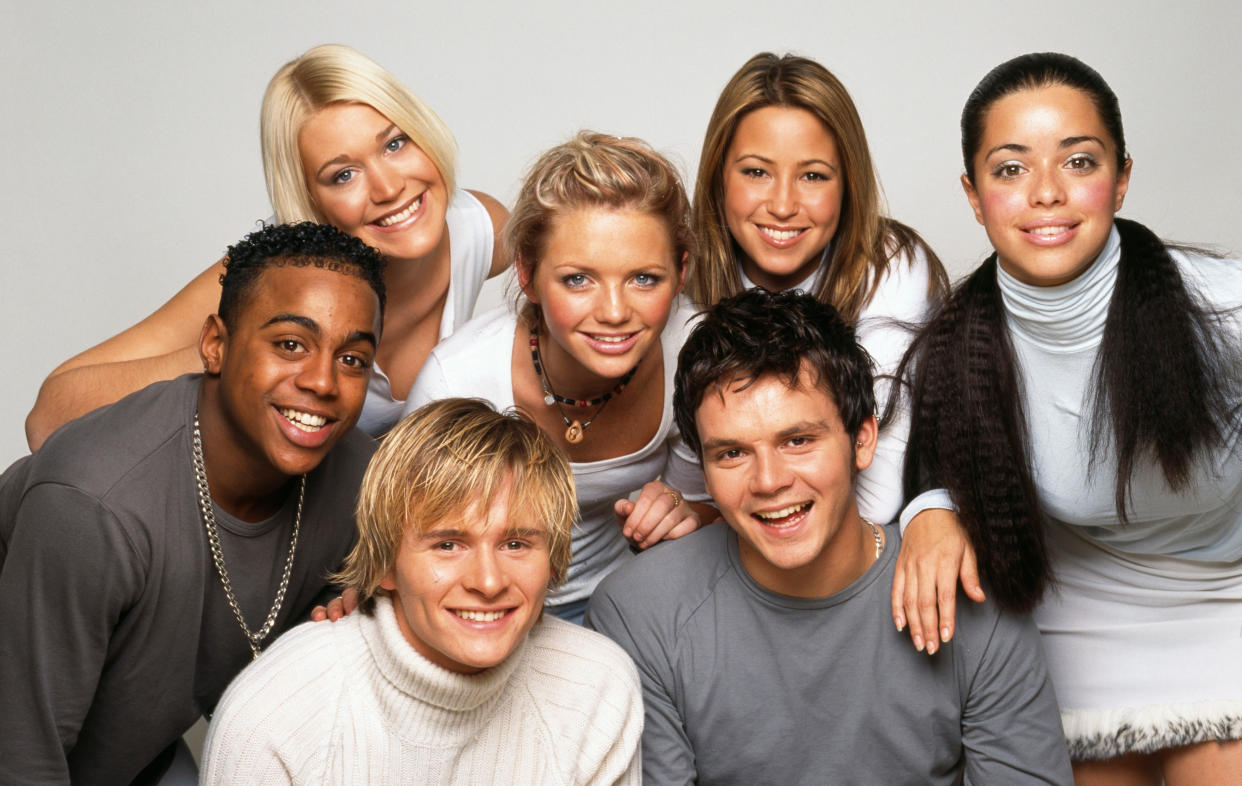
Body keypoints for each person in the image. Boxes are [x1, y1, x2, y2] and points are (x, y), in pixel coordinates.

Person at [895, 52, 1242, 783]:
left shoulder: (1221, 305)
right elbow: (929, 464)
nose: (1046, 194)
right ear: (973, 193)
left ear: (1121, 178)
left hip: (1228, 599)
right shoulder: (955, 344)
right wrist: (929, 510)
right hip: (1072, 617)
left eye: (1078, 161)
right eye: (1011, 169)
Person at [587, 288, 1072, 785]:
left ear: (862, 440)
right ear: (704, 472)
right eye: (732, 453)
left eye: (798, 441)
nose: (769, 481)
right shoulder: (638, 613)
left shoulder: (966, 592)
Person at [0, 222, 384, 783]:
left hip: (133, 756)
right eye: (290, 344)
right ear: (216, 345)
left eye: (352, 359)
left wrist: (348, 604)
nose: (323, 382)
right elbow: (22, 759)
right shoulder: (95, 502)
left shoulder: (359, 479)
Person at [25, 43, 507, 449]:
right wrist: (246, 345)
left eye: (395, 144)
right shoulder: (269, 276)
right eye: (343, 175)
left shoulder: (482, 229)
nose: (387, 188)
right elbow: (47, 419)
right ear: (310, 202)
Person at [202, 398, 642, 784]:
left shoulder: (596, 687)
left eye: (516, 544)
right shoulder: (275, 713)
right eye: (448, 545)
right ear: (386, 564)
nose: (488, 582)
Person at [404, 132, 715, 623]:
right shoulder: (455, 379)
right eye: (577, 279)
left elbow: (708, 513)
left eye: (643, 279)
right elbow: (408, 549)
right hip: (478, 612)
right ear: (526, 274)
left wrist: (681, 514)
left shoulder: (694, 353)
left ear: (680, 272)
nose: (614, 312)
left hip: (631, 602)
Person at [687, 52, 949, 525]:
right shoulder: (677, 272)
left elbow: (874, 499)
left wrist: (710, 514)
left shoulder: (891, 266)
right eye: (756, 172)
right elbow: (688, 484)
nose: (783, 205)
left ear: (849, 184)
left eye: (813, 176)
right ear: (717, 179)